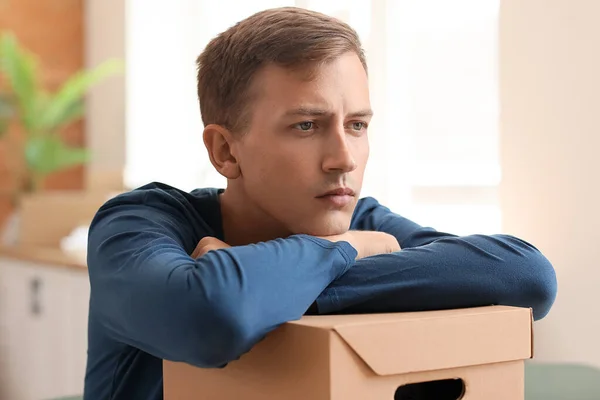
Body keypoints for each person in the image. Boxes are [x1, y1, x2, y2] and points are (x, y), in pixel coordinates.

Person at [83, 7, 557, 400]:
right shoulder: (137, 224)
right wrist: (347, 249)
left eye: (357, 125)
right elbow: (212, 314)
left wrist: (263, 284)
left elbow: (524, 274)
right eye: (306, 125)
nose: (343, 159)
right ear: (226, 151)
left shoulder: (358, 217)